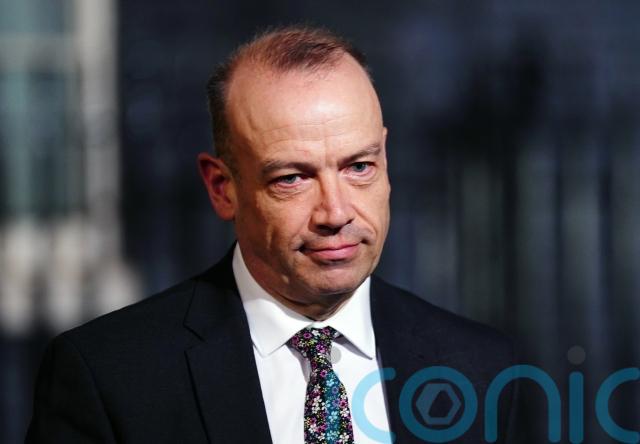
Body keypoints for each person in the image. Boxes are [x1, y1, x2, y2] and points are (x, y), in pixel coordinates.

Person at [26, 26, 517, 443]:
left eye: (359, 167)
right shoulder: (110, 378)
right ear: (222, 188)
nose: (336, 212)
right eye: (292, 178)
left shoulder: (483, 369)